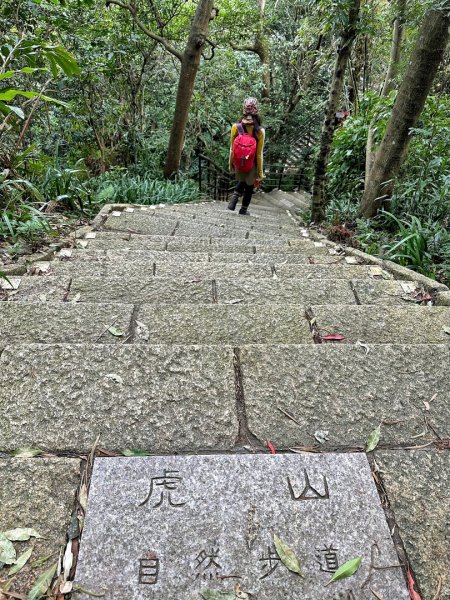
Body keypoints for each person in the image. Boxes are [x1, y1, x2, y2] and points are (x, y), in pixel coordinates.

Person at [228, 97, 265, 215]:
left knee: (242, 180)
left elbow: (232, 149)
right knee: (249, 187)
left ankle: (234, 197)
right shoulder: (260, 131)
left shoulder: (235, 127)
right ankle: (243, 209)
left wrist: (231, 165)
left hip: (239, 162)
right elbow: (259, 155)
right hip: (252, 164)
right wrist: (260, 173)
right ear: (257, 111)